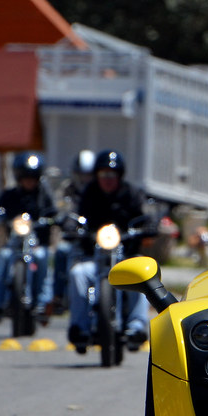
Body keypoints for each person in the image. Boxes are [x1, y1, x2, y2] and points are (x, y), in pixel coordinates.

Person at [67, 149, 151, 353]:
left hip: (127, 257)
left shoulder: (132, 193)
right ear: (96, 175)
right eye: (103, 174)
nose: (107, 179)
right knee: (78, 273)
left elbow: (148, 216)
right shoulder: (88, 193)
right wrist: (71, 226)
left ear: (120, 176)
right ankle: (80, 328)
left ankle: (136, 327)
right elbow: (73, 216)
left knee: (141, 275)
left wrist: (147, 226)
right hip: (94, 259)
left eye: (112, 175)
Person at [0, 152, 56, 324]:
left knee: (42, 258)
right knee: (2, 257)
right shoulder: (9, 195)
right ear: (18, 177)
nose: (29, 181)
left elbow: (54, 212)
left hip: (38, 244)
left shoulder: (44, 196)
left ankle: (43, 303)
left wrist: (55, 219)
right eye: (25, 177)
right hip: (14, 244)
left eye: (32, 177)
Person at [51, 149, 96, 313]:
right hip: (76, 235)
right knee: (62, 251)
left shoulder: (98, 190)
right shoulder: (67, 189)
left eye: (89, 175)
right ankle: (58, 295)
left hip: (99, 237)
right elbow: (61, 208)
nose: (85, 179)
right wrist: (65, 221)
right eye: (82, 174)